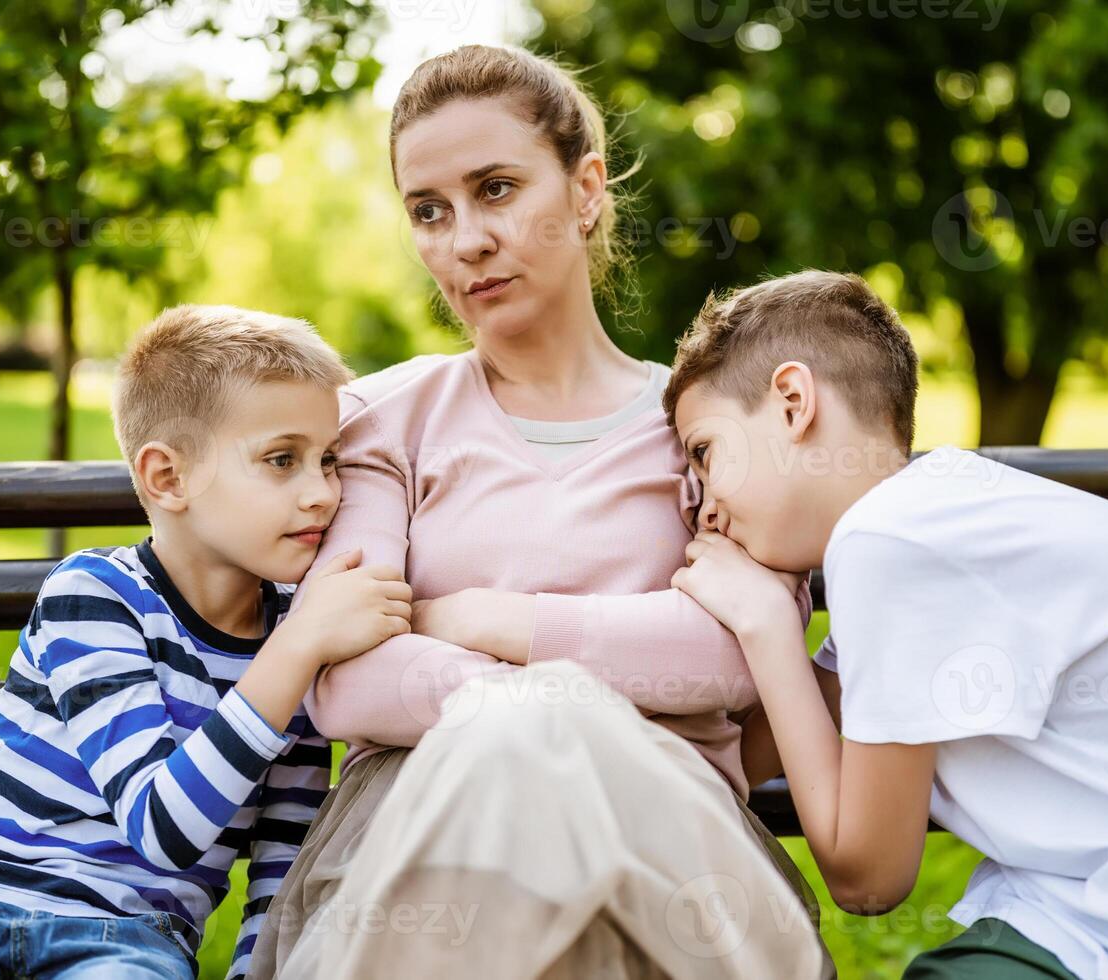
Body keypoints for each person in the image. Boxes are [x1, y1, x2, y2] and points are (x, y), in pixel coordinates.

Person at [248, 46, 832, 980]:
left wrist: (489, 621)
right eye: (428, 212)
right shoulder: (380, 420)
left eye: (497, 189)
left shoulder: (704, 425)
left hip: (666, 837)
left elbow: (731, 657)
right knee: (524, 741)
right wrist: (539, 702)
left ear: (587, 188)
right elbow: (344, 678)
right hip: (412, 833)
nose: (465, 239)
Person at [666, 269, 1108, 979]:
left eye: (704, 453)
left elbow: (869, 879)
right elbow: (744, 759)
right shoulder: (925, 522)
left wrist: (766, 628)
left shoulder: (893, 541)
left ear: (792, 401)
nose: (702, 510)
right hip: (1103, 916)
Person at [0, 305, 414, 980]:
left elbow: (281, 871)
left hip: (128, 943)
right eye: (282, 460)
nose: (322, 493)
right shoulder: (94, 595)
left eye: (328, 460)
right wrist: (296, 649)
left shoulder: (304, 640)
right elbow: (160, 828)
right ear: (168, 478)